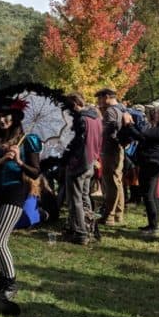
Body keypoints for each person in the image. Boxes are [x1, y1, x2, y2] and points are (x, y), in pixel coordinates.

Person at [0, 98, 41, 300]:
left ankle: (11, 283)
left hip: (14, 191)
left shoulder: (28, 139)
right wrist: (0, 159)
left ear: (14, 117)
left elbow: (36, 173)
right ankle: (1, 283)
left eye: (6, 116)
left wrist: (19, 161)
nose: (2, 120)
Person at [122, 103, 159, 235]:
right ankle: (153, 223)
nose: (154, 115)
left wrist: (129, 124)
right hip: (152, 163)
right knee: (151, 195)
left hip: (152, 164)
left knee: (149, 195)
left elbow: (142, 135)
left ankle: (153, 225)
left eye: (156, 113)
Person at [62, 93, 102, 245]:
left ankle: (80, 233)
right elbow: (100, 140)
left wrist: (70, 160)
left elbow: (76, 144)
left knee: (76, 199)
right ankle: (89, 227)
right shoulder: (96, 118)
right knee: (84, 197)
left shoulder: (80, 119)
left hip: (79, 163)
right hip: (90, 161)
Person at [95, 89, 125, 226]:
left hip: (110, 150)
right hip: (117, 149)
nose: (98, 101)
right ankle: (118, 214)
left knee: (111, 183)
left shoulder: (110, 111)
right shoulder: (121, 109)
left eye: (100, 98)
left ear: (107, 97)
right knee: (117, 182)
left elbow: (112, 129)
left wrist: (100, 130)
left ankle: (109, 216)